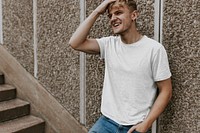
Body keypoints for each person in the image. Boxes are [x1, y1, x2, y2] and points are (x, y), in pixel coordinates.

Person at [69, 0, 172, 133]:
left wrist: (146, 124)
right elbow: (75, 43)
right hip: (106, 123)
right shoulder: (109, 44)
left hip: (135, 127)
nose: (113, 18)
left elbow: (166, 91)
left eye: (118, 13)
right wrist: (97, 11)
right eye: (110, 15)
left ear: (134, 15)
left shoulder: (154, 49)